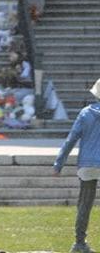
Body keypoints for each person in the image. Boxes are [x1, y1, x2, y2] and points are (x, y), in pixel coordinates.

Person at [54, 78, 100, 253]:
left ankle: (80, 242)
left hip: (87, 165)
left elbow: (70, 140)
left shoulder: (85, 113)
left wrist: (59, 164)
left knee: (84, 204)